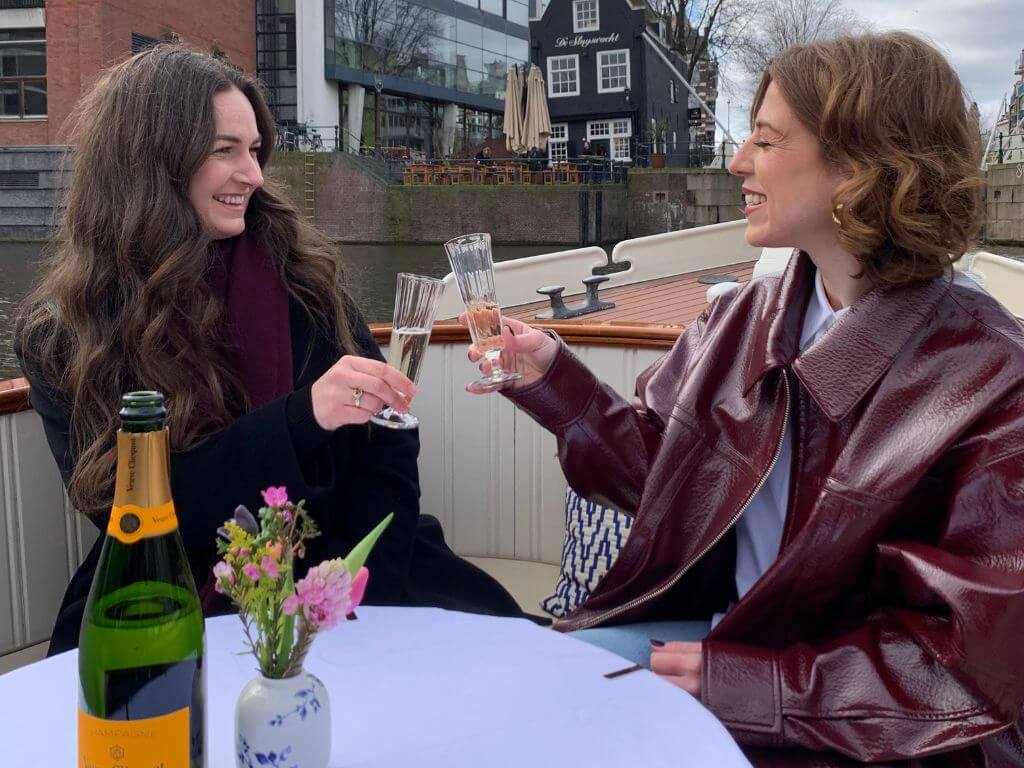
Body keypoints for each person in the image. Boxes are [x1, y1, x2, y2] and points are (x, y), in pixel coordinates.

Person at [464, 32, 1024, 765]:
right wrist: (555, 385)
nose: (736, 163)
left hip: (862, 724)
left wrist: (750, 689)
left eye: (765, 140)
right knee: (524, 695)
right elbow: (668, 486)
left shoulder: (991, 375)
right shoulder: (740, 320)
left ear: (860, 166)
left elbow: (962, 663)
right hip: (731, 646)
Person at [16, 45, 522, 655]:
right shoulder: (67, 335)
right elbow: (132, 519)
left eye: (254, 150)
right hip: (170, 593)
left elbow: (386, 444)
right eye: (225, 151)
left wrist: (362, 598)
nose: (254, 174)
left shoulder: (301, 278)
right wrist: (301, 421)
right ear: (151, 165)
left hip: (352, 569)